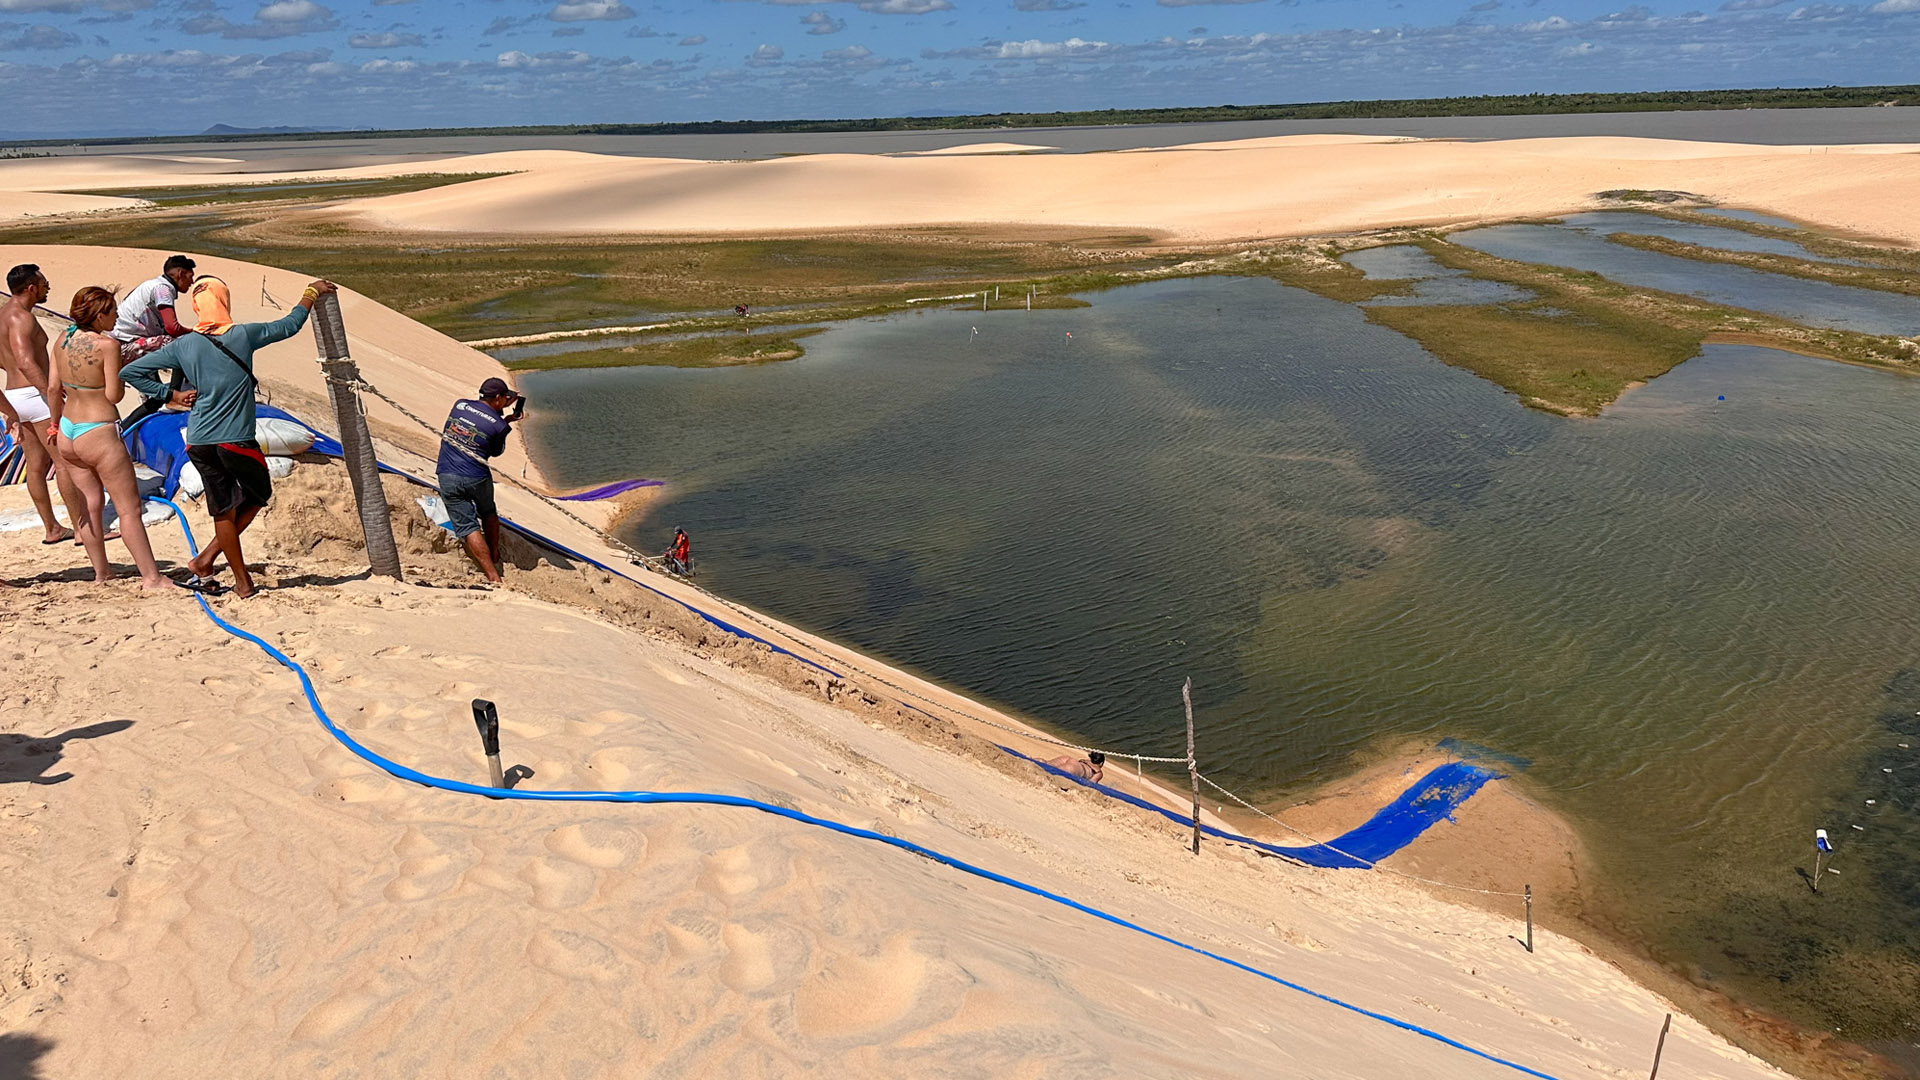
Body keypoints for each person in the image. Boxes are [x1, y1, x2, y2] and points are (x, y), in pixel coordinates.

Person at [122, 276, 338, 598]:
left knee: (222, 508)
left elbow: (130, 372)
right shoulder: (243, 334)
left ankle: (216, 567)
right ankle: (229, 572)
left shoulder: (183, 344)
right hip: (235, 440)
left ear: (197, 307)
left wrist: (171, 395)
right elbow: (290, 325)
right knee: (258, 494)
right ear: (224, 301)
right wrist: (311, 292)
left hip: (197, 443)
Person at [47, 287, 174, 590]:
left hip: (68, 429)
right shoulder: (107, 344)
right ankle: (151, 577)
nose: (117, 316)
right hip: (98, 430)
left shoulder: (62, 340)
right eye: (112, 311)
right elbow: (113, 394)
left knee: (90, 505)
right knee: (128, 509)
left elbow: (53, 389)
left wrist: (53, 425)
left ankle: (102, 573)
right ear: (99, 314)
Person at [2, 263, 91, 547]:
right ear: (31, 288)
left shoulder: (3, 315)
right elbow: (26, 361)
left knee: (36, 465)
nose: (47, 287)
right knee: (64, 462)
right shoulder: (21, 318)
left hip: (15, 395)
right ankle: (81, 529)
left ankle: (52, 528)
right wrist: (52, 393)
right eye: (43, 283)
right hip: (34, 396)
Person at [436, 376, 524, 583]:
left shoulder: (460, 404)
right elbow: (495, 452)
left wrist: (501, 412)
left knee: (467, 527)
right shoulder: (499, 426)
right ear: (498, 398)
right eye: (504, 398)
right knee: (488, 511)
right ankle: (494, 554)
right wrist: (506, 421)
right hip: (476, 476)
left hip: (447, 474)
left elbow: (480, 417)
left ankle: (492, 575)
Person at [113, 255, 199, 429]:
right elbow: (173, 327)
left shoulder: (153, 285)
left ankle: (124, 430)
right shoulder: (163, 289)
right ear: (180, 274)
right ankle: (175, 398)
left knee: (156, 398)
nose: (192, 282)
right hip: (128, 343)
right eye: (190, 276)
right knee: (184, 343)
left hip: (125, 342)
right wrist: (196, 332)